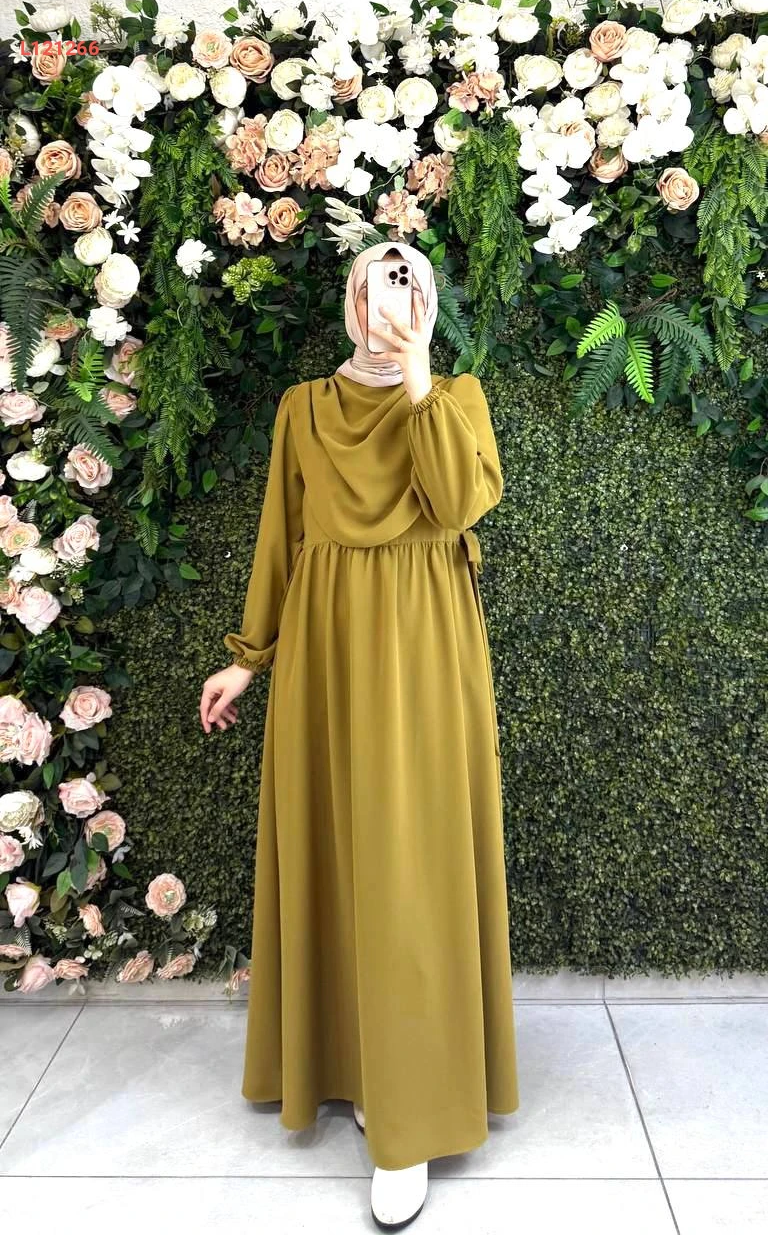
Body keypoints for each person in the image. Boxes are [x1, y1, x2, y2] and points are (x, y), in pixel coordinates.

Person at [199, 239, 519, 1230]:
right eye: (378, 283)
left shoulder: (457, 399)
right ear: (349, 301)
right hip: (328, 651)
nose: (393, 299)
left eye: (410, 282)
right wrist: (248, 657)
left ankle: (411, 1107)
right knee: (342, 855)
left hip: (428, 649)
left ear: (430, 302)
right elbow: (281, 538)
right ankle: (349, 1062)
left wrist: (419, 373)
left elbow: (457, 503)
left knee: (413, 862)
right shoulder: (303, 408)